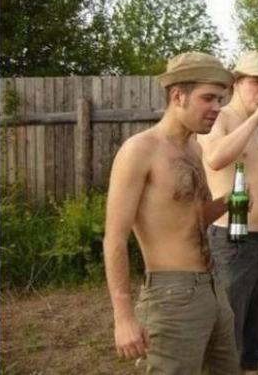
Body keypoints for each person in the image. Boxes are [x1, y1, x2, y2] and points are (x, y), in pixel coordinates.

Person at [103, 52, 241, 375]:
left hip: (212, 287)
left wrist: (228, 202)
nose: (217, 107)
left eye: (220, 99)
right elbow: (114, 238)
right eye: (208, 98)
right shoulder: (140, 150)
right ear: (178, 96)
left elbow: (192, 218)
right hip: (171, 295)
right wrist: (123, 316)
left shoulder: (194, 148)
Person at [198, 50, 258, 373]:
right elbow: (215, 158)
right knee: (228, 334)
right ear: (236, 82)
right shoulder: (220, 118)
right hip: (232, 241)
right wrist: (255, 118)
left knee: (255, 337)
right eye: (256, 82)